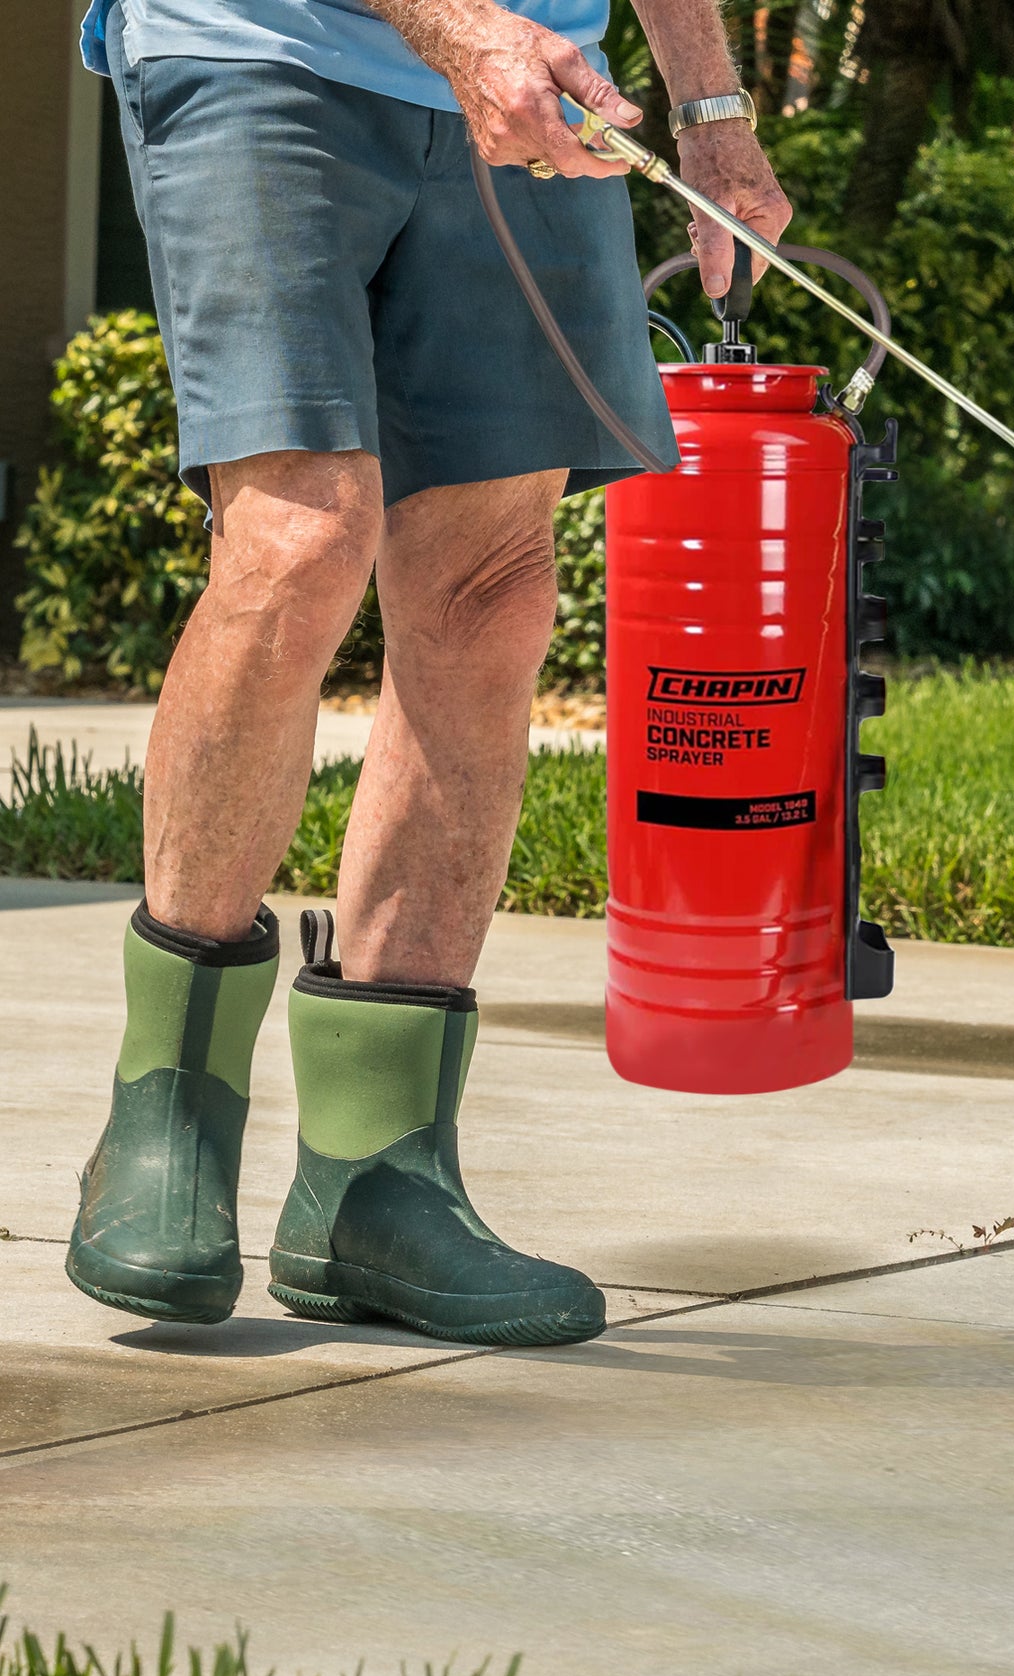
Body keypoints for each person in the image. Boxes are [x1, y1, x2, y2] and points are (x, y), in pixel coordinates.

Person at [65, 0, 791, 1346]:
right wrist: (458, 30)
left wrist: (711, 111)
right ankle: (164, 1118)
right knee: (299, 541)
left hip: (540, 97)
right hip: (261, 50)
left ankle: (376, 1175)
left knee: (492, 594)